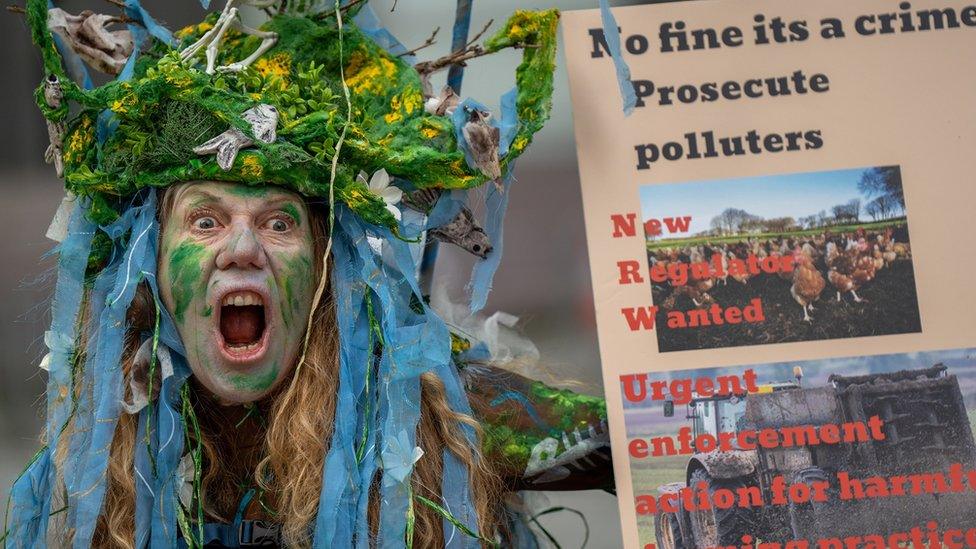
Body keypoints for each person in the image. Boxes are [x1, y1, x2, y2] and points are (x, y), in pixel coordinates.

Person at [5, 1, 611, 547]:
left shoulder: (446, 418)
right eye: (207, 222)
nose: (242, 248)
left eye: (277, 224)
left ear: (326, 267)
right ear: (154, 265)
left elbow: (650, 439)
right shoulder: (107, 452)